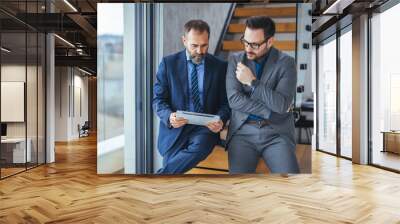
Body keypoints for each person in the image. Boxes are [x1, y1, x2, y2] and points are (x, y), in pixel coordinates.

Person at [153, 20, 230, 174]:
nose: (200, 51)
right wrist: (170, 117)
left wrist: (220, 119)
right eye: (194, 46)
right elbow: (158, 100)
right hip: (176, 129)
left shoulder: (220, 66)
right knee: (171, 165)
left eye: (204, 45)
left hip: (205, 128)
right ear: (184, 41)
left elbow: (225, 103)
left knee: (201, 146)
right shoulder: (169, 64)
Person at [226, 16, 300, 174]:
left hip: (276, 133)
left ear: (270, 41)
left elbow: (282, 104)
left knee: (292, 183)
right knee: (239, 186)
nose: (248, 48)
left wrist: (253, 82)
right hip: (242, 131)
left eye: (254, 44)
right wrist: (268, 111)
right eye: (245, 42)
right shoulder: (235, 60)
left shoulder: (287, 63)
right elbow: (234, 100)